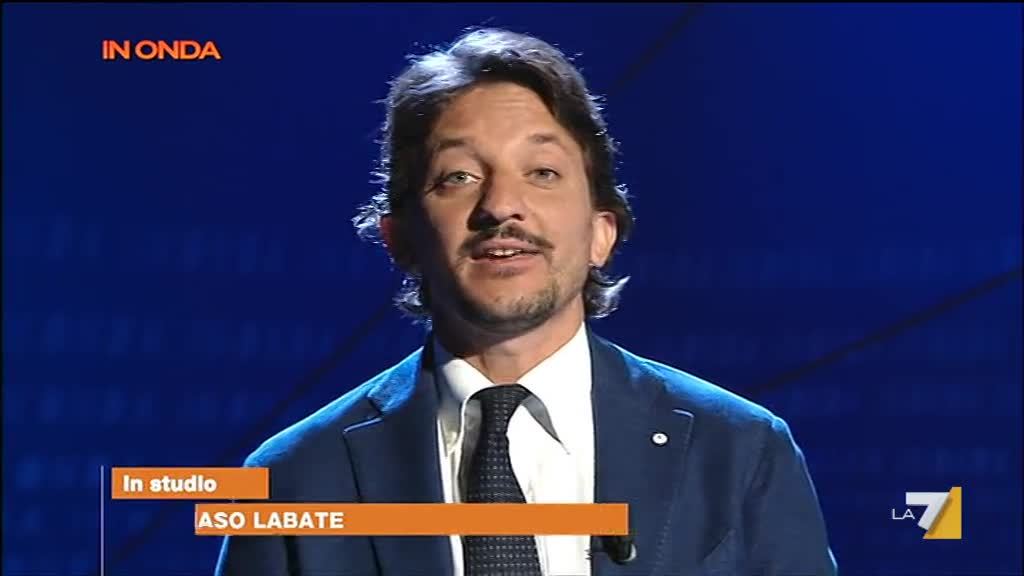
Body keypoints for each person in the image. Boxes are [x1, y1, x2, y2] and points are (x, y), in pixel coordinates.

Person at [216, 27, 837, 576]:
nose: (501, 207)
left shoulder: (740, 451)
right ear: (399, 239)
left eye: (542, 172)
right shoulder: (292, 480)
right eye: (458, 177)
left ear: (601, 232)